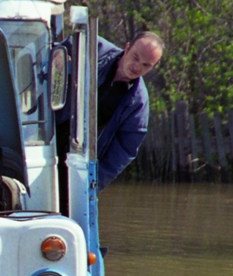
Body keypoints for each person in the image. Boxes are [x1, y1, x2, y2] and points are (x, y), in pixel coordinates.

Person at [59, 32, 164, 191]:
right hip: (43, 138)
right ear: (127, 47)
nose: (137, 67)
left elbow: (123, 151)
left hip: (77, 164)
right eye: (135, 57)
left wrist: (91, 185)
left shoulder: (138, 104)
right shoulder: (94, 48)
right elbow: (58, 51)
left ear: (154, 66)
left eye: (146, 65)